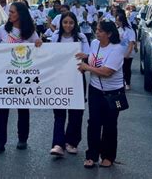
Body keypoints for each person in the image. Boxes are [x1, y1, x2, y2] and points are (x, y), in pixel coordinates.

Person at [0, 2, 42, 154]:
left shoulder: (30, 32)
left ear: (20, 14)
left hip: (22, 77)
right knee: (3, 108)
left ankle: (23, 138)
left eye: (13, 12)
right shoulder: (3, 29)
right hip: (4, 76)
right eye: (10, 12)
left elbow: (39, 49)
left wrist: (40, 43)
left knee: (23, 108)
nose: (10, 14)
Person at [77, 20, 125, 169]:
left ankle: (108, 156)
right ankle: (91, 155)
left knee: (110, 125)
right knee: (94, 123)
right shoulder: (94, 44)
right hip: (95, 91)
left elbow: (106, 72)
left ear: (109, 34)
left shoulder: (117, 50)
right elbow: (93, 58)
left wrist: (87, 67)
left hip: (114, 94)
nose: (97, 32)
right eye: (96, 29)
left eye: (100, 31)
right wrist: (84, 56)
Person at [50, 12, 90, 156]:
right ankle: (58, 143)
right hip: (59, 78)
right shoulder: (55, 36)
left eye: (71, 23)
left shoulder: (81, 37)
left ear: (75, 24)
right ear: (61, 23)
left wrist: (85, 56)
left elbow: (88, 55)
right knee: (59, 112)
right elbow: (50, 54)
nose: (68, 25)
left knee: (76, 111)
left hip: (77, 77)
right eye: (65, 22)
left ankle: (72, 142)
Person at [115, 11, 135, 90]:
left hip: (128, 54)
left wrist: (127, 53)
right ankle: (121, 83)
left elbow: (131, 43)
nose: (116, 22)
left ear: (122, 21)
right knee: (120, 69)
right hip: (119, 53)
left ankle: (128, 83)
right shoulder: (118, 29)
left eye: (118, 20)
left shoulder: (129, 30)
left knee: (127, 69)